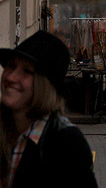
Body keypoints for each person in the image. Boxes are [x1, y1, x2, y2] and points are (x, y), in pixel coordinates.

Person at [0, 30, 98, 187]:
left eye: (27, 71)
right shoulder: (5, 129)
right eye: (11, 66)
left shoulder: (67, 144)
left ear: (44, 86)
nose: (11, 77)